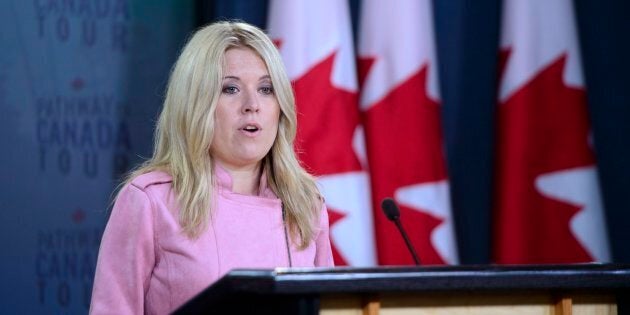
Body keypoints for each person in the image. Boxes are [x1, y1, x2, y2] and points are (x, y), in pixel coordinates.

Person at [89, 21, 334, 314]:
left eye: (266, 89)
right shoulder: (150, 200)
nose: (252, 104)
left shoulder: (305, 204)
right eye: (230, 88)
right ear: (196, 103)